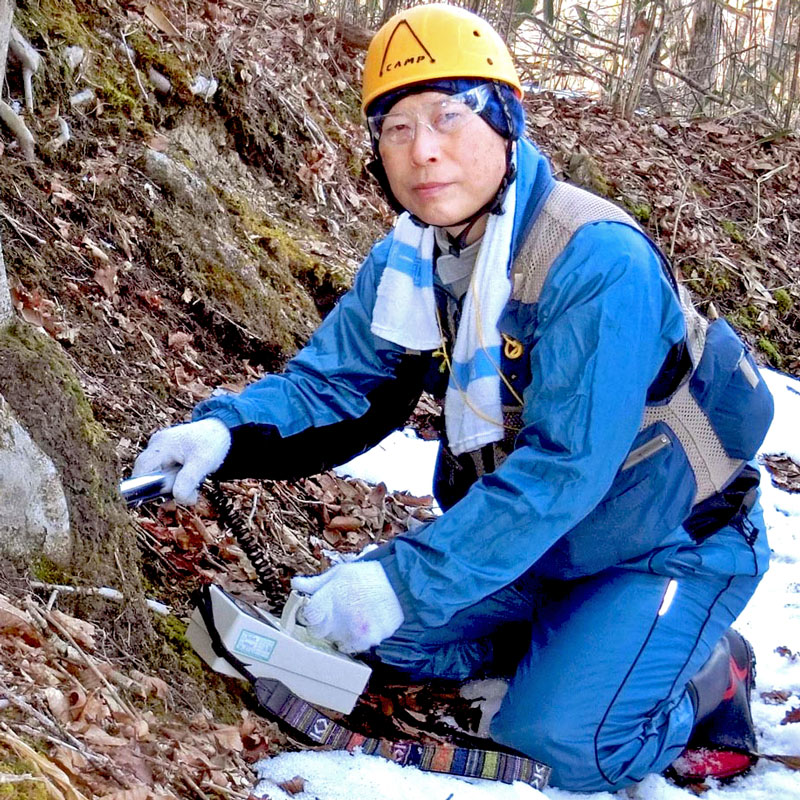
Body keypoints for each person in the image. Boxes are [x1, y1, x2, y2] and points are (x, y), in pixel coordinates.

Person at [133, 4, 775, 791]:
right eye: (396, 127)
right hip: (543, 548)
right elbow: (336, 381)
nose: (423, 149)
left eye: (449, 115)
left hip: (666, 541)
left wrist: (402, 580)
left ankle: (710, 674)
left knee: (564, 746)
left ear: (507, 124)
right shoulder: (410, 261)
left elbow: (564, 469)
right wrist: (224, 433)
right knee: (374, 645)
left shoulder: (594, 260)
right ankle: (579, 645)